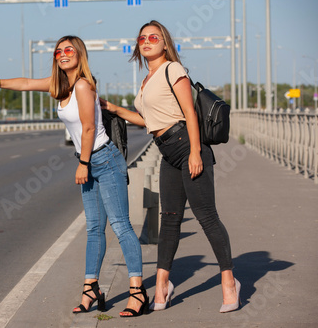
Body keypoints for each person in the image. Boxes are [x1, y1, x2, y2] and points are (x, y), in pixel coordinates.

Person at [0, 36, 148, 317]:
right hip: (89, 160)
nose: (63, 54)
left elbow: (90, 128)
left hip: (103, 158)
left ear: (80, 54)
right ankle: (90, 288)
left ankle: (137, 291)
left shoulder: (82, 85)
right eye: (58, 51)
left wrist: (83, 163)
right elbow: (27, 83)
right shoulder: (61, 85)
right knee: (94, 228)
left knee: (120, 225)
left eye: (69, 50)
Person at [101, 20, 241, 313]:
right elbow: (149, 121)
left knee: (206, 216)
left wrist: (194, 152)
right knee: (170, 219)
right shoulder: (146, 79)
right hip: (166, 152)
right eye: (142, 38)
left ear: (165, 43)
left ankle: (229, 281)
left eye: (154, 37)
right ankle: (163, 285)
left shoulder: (172, 70)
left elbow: (189, 112)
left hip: (187, 146)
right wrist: (114, 109)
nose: (147, 41)